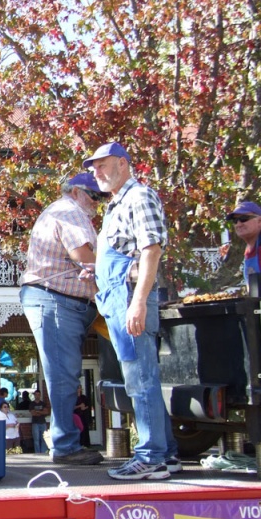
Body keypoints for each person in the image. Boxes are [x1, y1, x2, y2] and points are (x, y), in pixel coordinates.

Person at [83, 141, 180, 480]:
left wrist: (138, 301)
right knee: (140, 378)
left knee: (141, 380)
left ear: (123, 163)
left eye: (102, 165)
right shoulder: (115, 205)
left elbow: (151, 249)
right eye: (93, 168)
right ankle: (166, 454)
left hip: (128, 299)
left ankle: (150, 456)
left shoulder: (139, 197)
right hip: (115, 297)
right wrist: (95, 271)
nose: (96, 173)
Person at [19, 172, 106, 466]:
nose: (99, 202)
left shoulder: (64, 211)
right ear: (77, 192)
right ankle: (65, 445)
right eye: (95, 195)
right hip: (55, 302)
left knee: (65, 374)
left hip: (61, 301)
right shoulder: (70, 212)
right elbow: (84, 256)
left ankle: (65, 441)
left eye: (101, 196)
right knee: (63, 375)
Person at [226, 201, 261, 286]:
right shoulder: (249, 249)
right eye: (235, 220)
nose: (239, 224)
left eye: (244, 218)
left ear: (259, 221)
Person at [28, 390, 50, 454]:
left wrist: (38, 412)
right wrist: (41, 412)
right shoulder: (32, 404)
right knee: (36, 440)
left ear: (40, 395)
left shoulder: (43, 403)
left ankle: (43, 452)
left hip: (43, 422)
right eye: (36, 394)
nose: (37, 396)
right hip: (35, 423)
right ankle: (38, 453)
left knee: (44, 438)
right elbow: (33, 413)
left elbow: (46, 412)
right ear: (34, 395)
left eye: (38, 394)